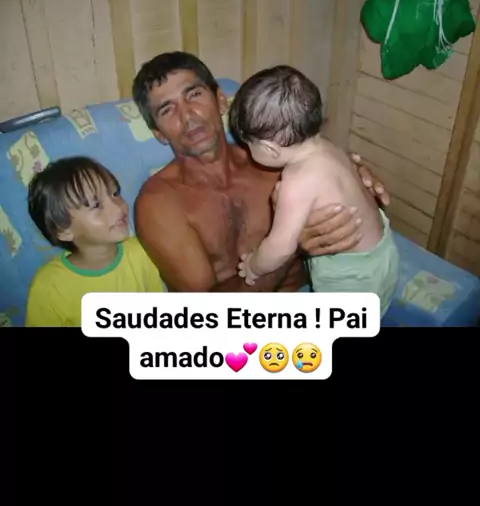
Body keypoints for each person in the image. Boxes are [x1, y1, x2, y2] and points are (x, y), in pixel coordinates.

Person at [133, 52, 391, 294]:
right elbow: (205, 313)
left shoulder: (277, 160)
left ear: (221, 100)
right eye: (167, 109)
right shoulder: (159, 204)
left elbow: (325, 168)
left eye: (194, 94)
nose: (188, 116)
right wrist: (292, 247)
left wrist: (357, 179)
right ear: (159, 134)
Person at [229, 66, 400, 316]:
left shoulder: (296, 180)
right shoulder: (329, 148)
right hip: (383, 252)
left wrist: (254, 265)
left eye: (249, 146)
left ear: (269, 149)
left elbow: (280, 246)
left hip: (351, 277)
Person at [26, 156, 165, 327]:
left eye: (115, 194)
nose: (118, 207)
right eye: (96, 205)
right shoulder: (50, 287)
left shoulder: (143, 252)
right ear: (63, 230)